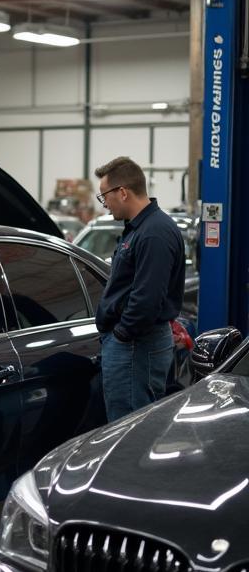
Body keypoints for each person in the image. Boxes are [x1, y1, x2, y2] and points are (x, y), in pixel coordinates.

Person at [93, 157, 185, 422]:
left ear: (122, 192)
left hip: (135, 347)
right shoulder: (141, 229)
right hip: (133, 345)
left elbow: (147, 298)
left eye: (104, 197)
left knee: (128, 432)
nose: (105, 205)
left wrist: (122, 335)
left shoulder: (153, 233)